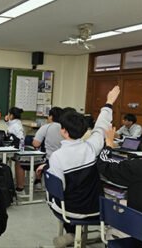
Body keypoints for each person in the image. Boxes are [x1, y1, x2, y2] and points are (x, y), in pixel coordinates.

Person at [36, 86, 120, 248]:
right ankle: (75, 235)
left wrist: (47, 168)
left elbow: (58, 187)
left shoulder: (57, 157)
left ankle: (72, 233)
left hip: (68, 211)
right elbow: (101, 125)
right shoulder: (92, 147)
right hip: (96, 209)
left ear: (64, 131)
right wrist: (109, 102)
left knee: (60, 191)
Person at [17, 107, 64, 194]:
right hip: (61, 161)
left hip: (46, 160)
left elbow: (35, 144)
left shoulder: (46, 127)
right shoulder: (65, 129)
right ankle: (37, 182)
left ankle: (20, 189)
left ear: (51, 117)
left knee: (20, 162)